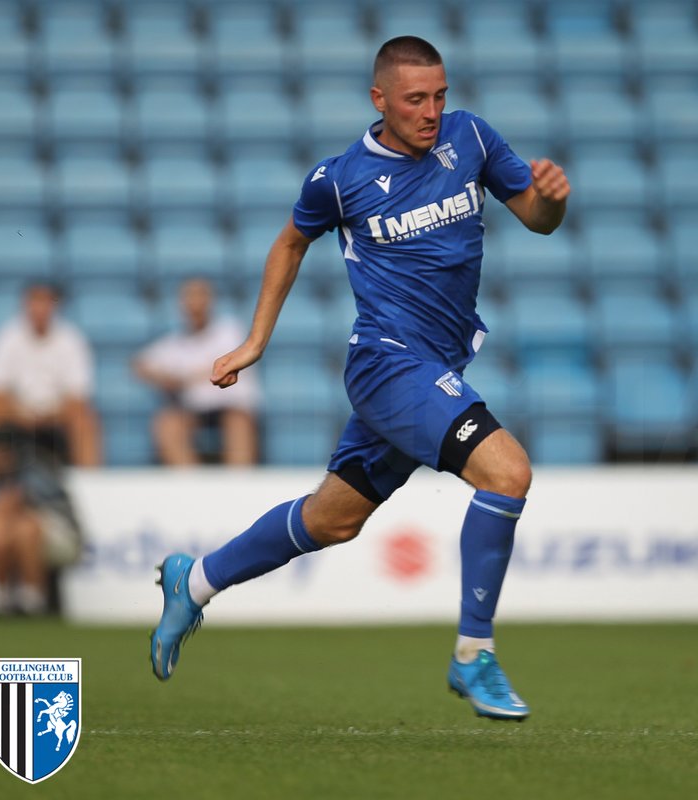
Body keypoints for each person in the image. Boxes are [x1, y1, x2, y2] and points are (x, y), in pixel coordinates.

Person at [150, 37, 570, 721]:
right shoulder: (339, 178)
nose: (432, 111)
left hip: (437, 365)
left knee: (332, 519)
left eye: (438, 95)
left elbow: (538, 219)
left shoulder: (472, 139)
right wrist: (256, 340)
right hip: (387, 364)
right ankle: (474, 656)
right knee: (508, 472)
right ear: (380, 99)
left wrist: (551, 200)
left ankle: (192, 582)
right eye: (414, 100)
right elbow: (289, 242)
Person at [0, 426, 84, 615]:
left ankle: (32, 600)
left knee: (24, 528)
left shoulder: (29, 467)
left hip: (64, 540)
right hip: (28, 536)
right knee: (4, 535)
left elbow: (0, 518)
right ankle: (5, 600)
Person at [134, 277, 260, 466]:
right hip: (193, 410)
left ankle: (238, 484)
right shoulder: (175, 342)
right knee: (167, 425)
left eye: (200, 296)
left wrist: (181, 380)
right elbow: (139, 364)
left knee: (237, 423)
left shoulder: (229, 330)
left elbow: (220, 369)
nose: (195, 303)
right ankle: (189, 484)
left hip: (231, 405)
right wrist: (162, 378)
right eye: (189, 297)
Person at [0, 282, 102, 466]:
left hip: (58, 413)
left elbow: (78, 396)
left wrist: (49, 415)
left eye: (45, 302)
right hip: (15, 410)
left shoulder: (72, 340)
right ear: (25, 305)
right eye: (35, 301)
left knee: (85, 422)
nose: (40, 309)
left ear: (55, 305)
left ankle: (90, 482)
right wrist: (22, 414)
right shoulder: (5, 338)